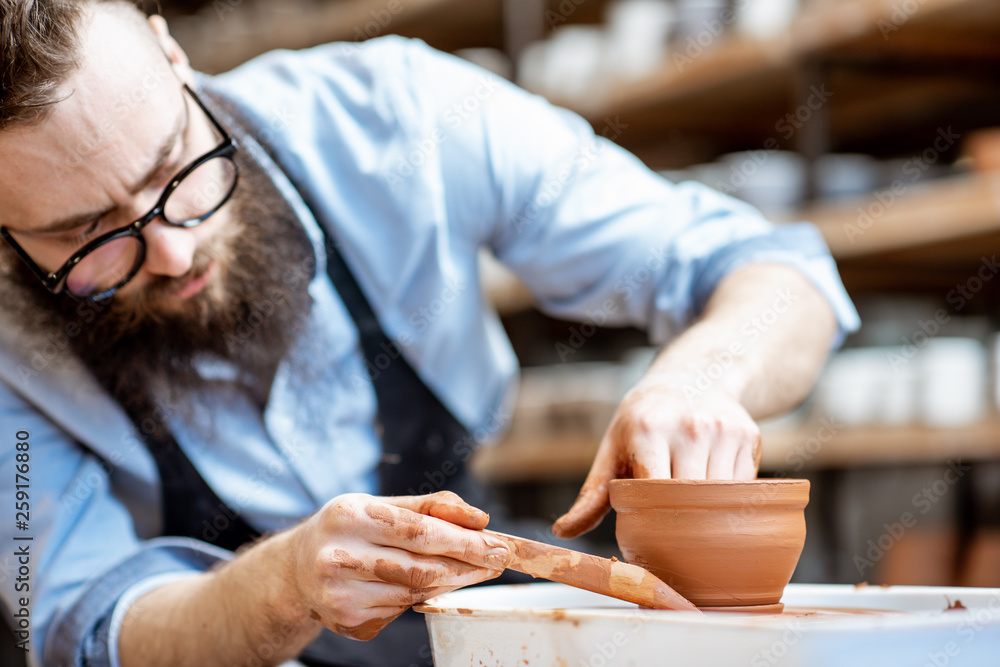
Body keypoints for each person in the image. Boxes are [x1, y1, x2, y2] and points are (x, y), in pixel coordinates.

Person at [0, 1, 859, 666]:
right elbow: (91, 628)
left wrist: (702, 377)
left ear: (173, 54)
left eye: (172, 169)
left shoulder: (399, 118)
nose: (175, 248)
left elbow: (772, 271)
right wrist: (286, 586)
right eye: (86, 233)